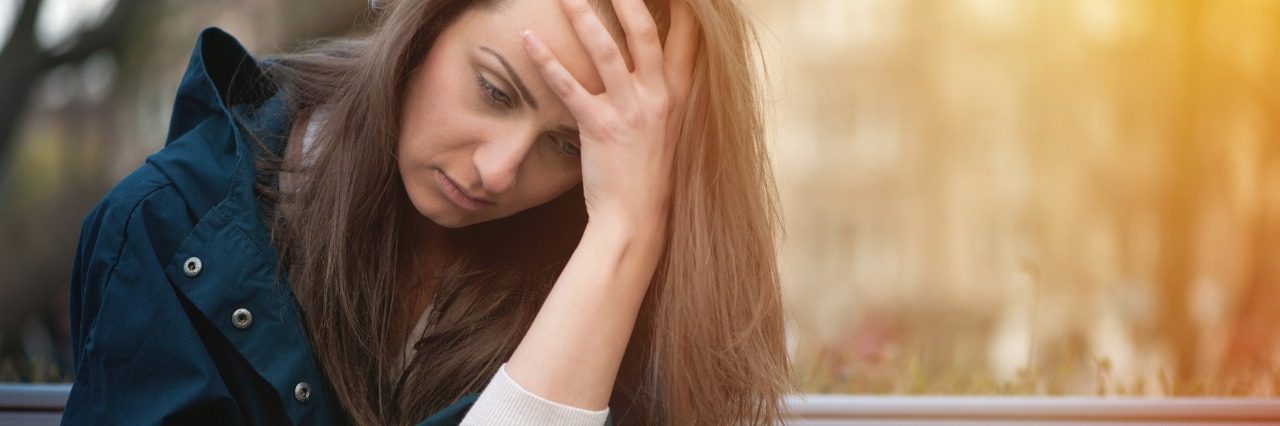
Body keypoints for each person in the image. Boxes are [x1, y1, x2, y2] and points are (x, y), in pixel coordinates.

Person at [66, 0, 790, 424]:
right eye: (495, 91)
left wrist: (624, 238)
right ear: (426, 21)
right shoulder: (165, 229)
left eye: (568, 145)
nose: (498, 170)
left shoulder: (620, 281)